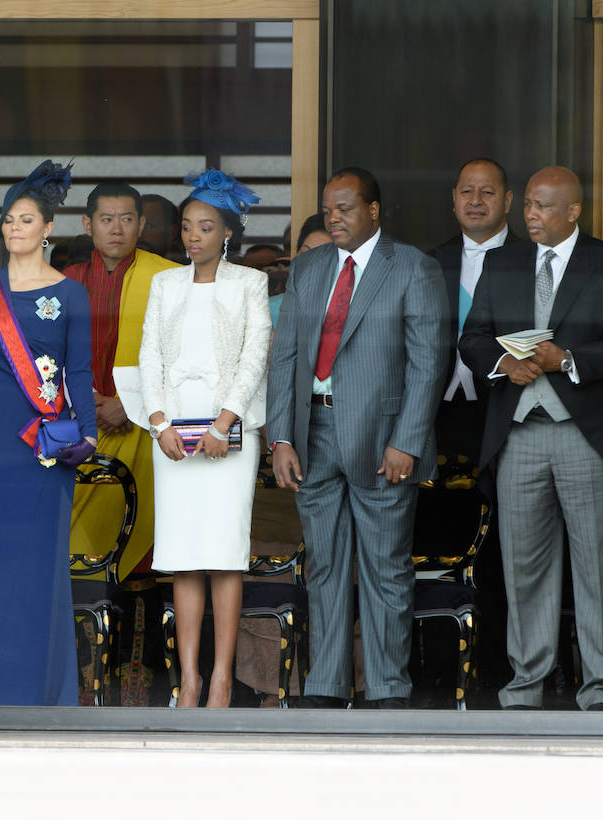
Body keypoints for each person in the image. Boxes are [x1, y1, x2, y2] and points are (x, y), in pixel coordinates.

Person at [459, 165, 603, 711]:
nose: (531, 215)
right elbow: (472, 337)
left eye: (543, 206)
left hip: (583, 434)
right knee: (525, 570)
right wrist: (501, 364)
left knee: (596, 568)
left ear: (573, 211)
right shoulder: (504, 260)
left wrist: (567, 360)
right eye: (528, 207)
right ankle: (525, 687)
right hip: (519, 433)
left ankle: (602, 690)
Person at [267, 167, 450, 709]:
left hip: (382, 440)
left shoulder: (413, 267)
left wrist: (408, 441)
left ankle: (387, 687)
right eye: (328, 210)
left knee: (385, 566)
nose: (335, 218)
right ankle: (325, 683)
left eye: (345, 208)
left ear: (374, 210)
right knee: (323, 564)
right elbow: (286, 359)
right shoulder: (308, 267)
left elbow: (427, 364)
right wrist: (280, 435)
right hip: (313, 432)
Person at [0, 160, 97, 706]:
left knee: (40, 574)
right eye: (8, 219)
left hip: (45, 448)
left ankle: (42, 693)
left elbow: (79, 372)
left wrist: (88, 434)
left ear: (48, 228)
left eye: (26, 219)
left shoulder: (71, 295)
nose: (14, 229)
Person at [138, 170, 270, 708]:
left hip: (228, 429)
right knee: (182, 555)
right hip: (170, 431)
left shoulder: (249, 283)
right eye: (188, 227)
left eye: (206, 227)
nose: (194, 236)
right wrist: (159, 422)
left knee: (223, 554)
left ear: (227, 234)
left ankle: (220, 680)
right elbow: (149, 353)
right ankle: (187, 679)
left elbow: (255, 354)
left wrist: (224, 423)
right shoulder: (164, 283)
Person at [64, 182, 178, 578]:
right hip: (79, 425)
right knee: (72, 550)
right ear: (87, 224)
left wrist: (130, 404)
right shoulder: (64, 282)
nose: (117, 229)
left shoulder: (170, 279)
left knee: (143, 562)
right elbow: (42, 356)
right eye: (106, 219)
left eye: (127, 219)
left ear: (142, 224)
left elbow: (183, 361)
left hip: (144, 429)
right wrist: (83, 400)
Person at [431, 158, 520, 469]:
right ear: (454, 199)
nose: (476, 201)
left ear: (508, 200)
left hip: (503, 405)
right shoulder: (429, 263)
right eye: (467, 191)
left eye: (488, 192)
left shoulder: (531, 261)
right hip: (438, 409)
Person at [140, 193, 185, 263]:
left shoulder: (186, 271)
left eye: (149, 226)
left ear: (173, 232)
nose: (139, 233)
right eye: (136, 225)